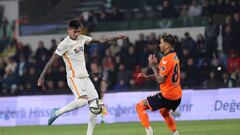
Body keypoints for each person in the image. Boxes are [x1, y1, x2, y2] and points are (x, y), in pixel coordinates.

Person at [37, 19, 126, 135]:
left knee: (95, 105)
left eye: (79, 31)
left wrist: (116, 37)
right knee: (83, 101)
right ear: (68, 30)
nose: (77, 34)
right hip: (74, 77)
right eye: (75, 32)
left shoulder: (81, 38)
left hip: (85, 77)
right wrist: (41, 76)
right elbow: (51, 61)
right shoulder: (64, 44)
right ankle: (57, 112)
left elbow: (100, 40)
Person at [136, 33, 182, 135]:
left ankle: (149, 131)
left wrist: (152, 66)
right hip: (177, 96)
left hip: (167, 95)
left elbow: (160, 80)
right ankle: (176, 134)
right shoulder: (174, 56)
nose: (159, 45)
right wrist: (148, 76)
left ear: (167, 45)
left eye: (161, 43)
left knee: (139, 106)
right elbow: (164, 74)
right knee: (164, 112)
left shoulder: (166, 60)